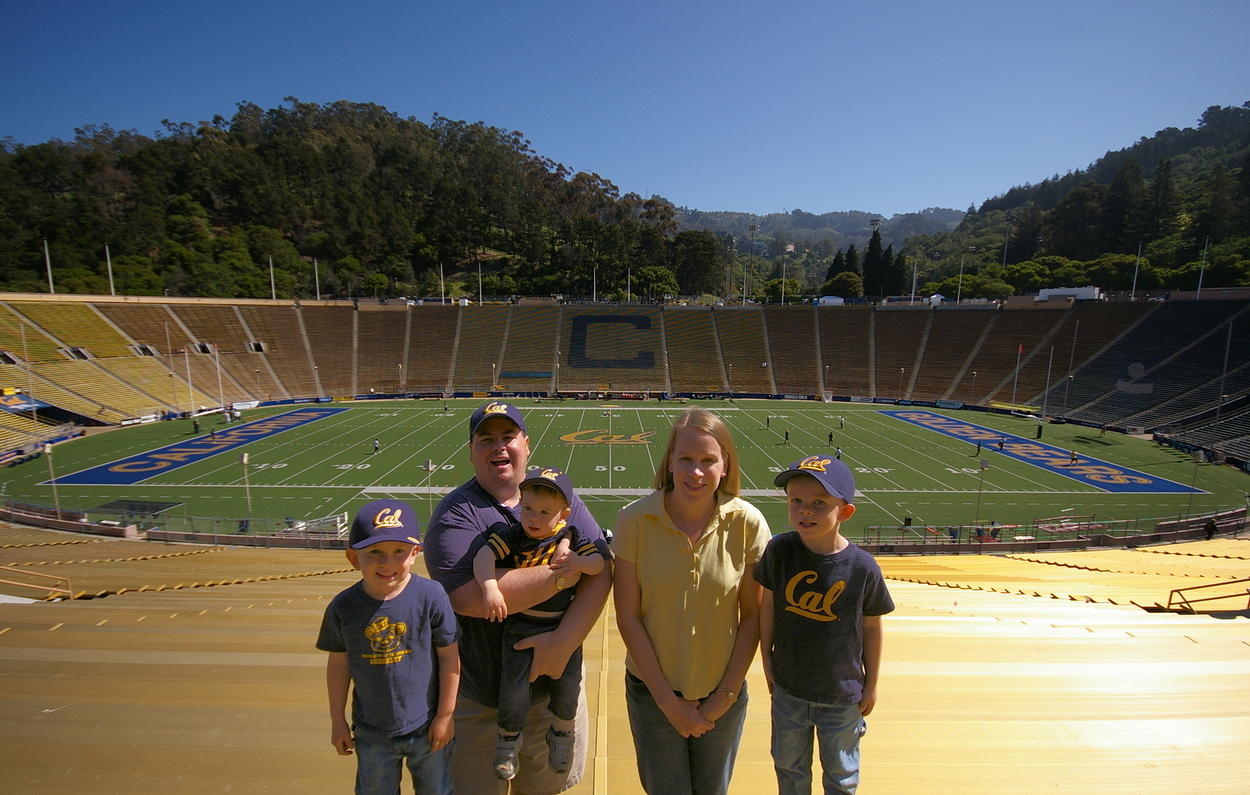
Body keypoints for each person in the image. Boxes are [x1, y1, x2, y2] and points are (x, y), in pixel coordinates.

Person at [423, 401, 612, 794]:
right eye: (486, 439)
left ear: (526, 443)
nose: (499, 447)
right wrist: (563, 575)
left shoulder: (562, 498)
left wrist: (564, 640)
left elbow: (603, 570)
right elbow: (471, 598)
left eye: (508, 436)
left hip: (552, 693)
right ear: (471, 451)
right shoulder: (456, 513)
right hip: (483, 701)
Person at [614, 407, 769, 794]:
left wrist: (724, 698)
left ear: (725, 464)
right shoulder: (635, 520)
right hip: (653, 694)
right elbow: (628, 616)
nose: (695, 472)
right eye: (685, 459)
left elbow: (752, 616)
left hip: (724, 693)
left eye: (707, 460)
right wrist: (669, 703)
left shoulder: (748, 523)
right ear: (669, 462)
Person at [758, 456, 894, 794]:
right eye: (797, 501)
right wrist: (766, 659)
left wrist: (872, 683)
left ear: (845, 512)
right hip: (789, 689)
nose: (806, 510)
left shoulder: (862, 567)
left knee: (842, 776)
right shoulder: (780, 550)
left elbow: (872, 628)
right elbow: (768, 608)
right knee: (789, 769)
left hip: (842, 693)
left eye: (820, 503)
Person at [316, 499, 460, 795]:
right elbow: (339, 665)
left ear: (415, 553)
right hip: (371, 732)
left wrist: (446, 716)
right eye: (374, 553)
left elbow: (449, 658)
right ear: (354, 558)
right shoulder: (343, 607)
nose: (388, 563)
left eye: (399, 552)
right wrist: (337, 721)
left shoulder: (431, 596)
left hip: (426, 724)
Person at [473, 467, 605, 780]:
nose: (533, 517)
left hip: (562, 626)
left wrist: (576, 562)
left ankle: (561, 734)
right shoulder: (513, 535)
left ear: (565, 513)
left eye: (545, 511)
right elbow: (483, 556)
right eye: (528, 508)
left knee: (567, 688)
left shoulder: (570, 537)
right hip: (520, 626)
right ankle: (508, 741)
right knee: (514, 690)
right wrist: (490, 588)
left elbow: (599, 563)